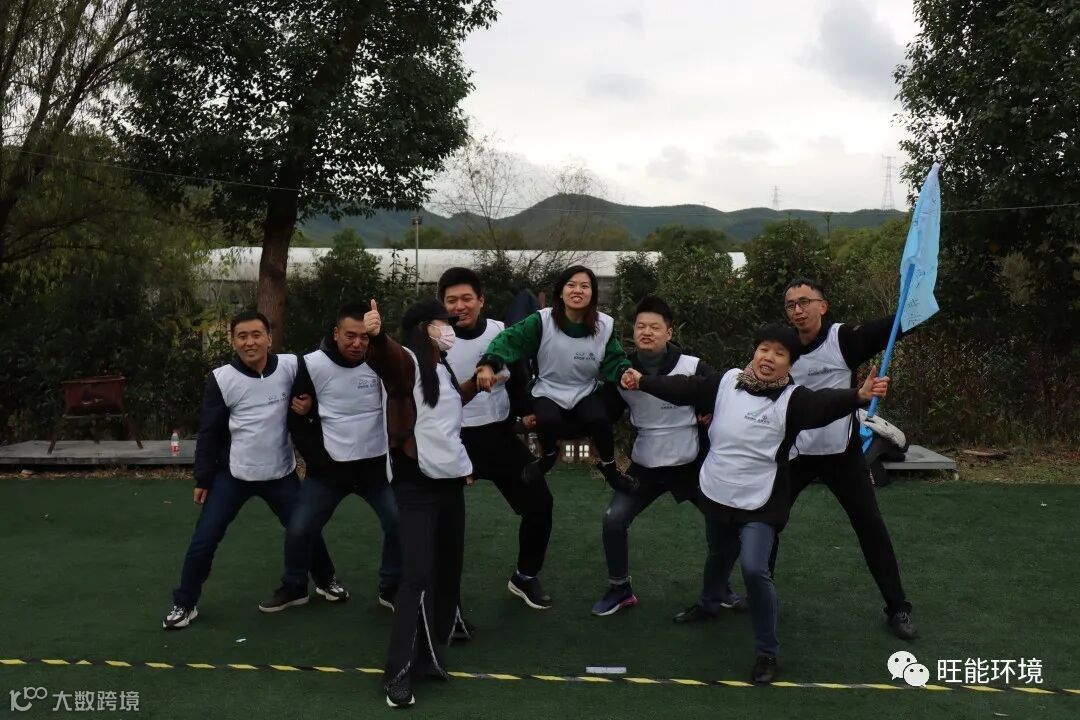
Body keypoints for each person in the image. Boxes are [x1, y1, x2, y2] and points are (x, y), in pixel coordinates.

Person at [622, 325, 891, 683]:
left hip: (762, 498)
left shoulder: (794, 399)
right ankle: (709, 603)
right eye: (765, 349)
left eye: (780, 354)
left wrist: (858, 396)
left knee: (753, 568)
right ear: (755, 352)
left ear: (790, 364)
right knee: (719, 552)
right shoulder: (727, 382)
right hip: (717, 487)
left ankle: (767, 652)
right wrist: (643, 381)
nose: (769, 358)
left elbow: (825, 404)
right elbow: (686, 388)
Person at [163, 310, 338, 630]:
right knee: (204, 539)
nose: (250, 342)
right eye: (242, 336)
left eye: (256, 335)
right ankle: (185, 603)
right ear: (233, 342)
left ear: (269, 338)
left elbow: (318, 390)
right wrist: (203, 478)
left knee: (304, 529)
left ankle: (326, 581)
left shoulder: (290, 365)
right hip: (233, 476)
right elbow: (209, 432)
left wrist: (310, 406)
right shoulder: (221, 378)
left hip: (280, 474)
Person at [364, 297, 486, 709]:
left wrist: (478, 383)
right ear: (423, 328)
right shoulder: (408, 361)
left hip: (450, 483)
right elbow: (387, 359)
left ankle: (431, 654)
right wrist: (377, 336)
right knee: (415, 576)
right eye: (442, 321)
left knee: (448, 568)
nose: (450, 327)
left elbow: (445, 408)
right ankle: (397, 674)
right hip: (415, 484)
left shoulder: (441, 366)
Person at [779, 278, 917, 640]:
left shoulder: (843, 340)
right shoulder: (782, 346)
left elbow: (896, 325)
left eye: (805, 302)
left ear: (822, 306)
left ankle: (898, 607)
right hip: (796, 452)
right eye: (791, 305)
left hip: (842, 453)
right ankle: (758, 592)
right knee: (767, 521)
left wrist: (918, 294)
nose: (798, 310)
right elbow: (754, 380)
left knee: (870, 525)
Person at [591, 296, 741, 618]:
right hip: (645, 464)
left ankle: (719, 587)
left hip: (691, 463)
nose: (646, 332)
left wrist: (709, 413)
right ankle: (620, 588)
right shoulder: (620, 370)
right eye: (640, 326)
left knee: (725, 525)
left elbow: (720, 397)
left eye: (654, 327)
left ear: (669, 333)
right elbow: (602, 413)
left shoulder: (694, 366)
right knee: (613, 519)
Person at [258, 302, 402, 613]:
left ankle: (391, 586)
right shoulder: (312, 364)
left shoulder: (384, 360)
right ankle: (295, 586)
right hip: (329, 470)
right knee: (299, 528)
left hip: (376, 466)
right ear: (336, 333)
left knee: (398, 521)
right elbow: (296, 416)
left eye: (364, 337)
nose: (357, 343)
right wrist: (317, 459)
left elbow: (404, 397)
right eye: (350, 335)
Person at [439, 268, 555, 610]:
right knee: (439, 520)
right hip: (454, 442)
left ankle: (525, 577)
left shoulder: (501, 332)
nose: (459, 306)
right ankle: (438, 592)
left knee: (540, 504)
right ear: (442, 304)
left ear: (481, 301)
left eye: (467, 298)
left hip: (500, 439)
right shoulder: (434, 341)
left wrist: (527, 412)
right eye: (451, 300)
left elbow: (518, 380)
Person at [476, 265, 636, 492]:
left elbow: (614, 358)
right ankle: (548, 456)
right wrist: (489, 364)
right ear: (561, 292)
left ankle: (610, 468)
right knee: (547, 420)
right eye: (571, 285)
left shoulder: (604, 325)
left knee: (599, 419)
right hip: (548, 388)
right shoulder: (542, 321)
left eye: (584, 286)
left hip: (585, 388)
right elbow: (510, 340)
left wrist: (625, 372)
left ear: (592, 294)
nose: (577, 290)